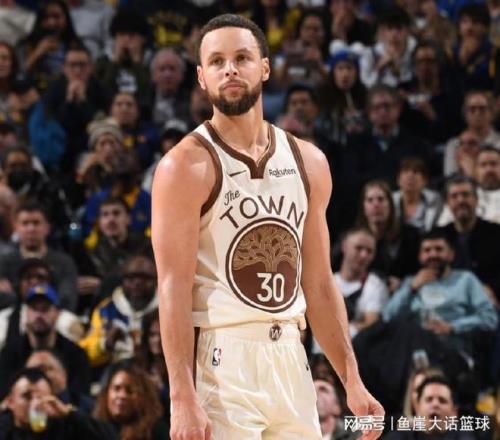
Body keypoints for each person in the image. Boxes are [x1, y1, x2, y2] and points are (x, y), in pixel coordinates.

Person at [151, 13, 383, 440]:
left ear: (265, 68)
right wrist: (181, 395)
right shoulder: (183, 166)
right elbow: (172, 287)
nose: (230, 69)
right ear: (201, 77)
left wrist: (352, 378)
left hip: (292, 355)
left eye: (242, 58)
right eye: (217, 61)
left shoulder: (309, 161)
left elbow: (318, 282)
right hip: (222, 358)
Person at [383, 229, 497, 355]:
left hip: (455, 348)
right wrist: (411, 288)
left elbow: (490, 318)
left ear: (451, 254)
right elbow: (388, 317)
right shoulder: (411, 283)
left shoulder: (466, 280)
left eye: (439, 249)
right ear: (420, 256)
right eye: (427, 250)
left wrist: (452, 326)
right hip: (416, 348)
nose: (433, 254)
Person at [0, 284, 91, 399]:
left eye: (45, 309)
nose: (39, 315)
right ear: (26, 312)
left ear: (57, 313)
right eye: (34, 309)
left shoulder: (76, 355)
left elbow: (82, 400)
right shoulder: (9, 354)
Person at [0, 367, 115, 440]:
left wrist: (69, 414)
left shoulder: (64, 427)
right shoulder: (4, 431)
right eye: (26, 396)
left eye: (42, 397)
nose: (35, 403)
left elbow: (109, 437)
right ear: (10, 402)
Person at [334, 227, 388, 339]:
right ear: (344, 247)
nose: (364, 255)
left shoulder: (375, 285)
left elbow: (371, 323)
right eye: (358, 248)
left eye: (369, 251)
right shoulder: (327, 281)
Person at [93, 362, 169, 440]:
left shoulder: (156, 430)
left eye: (130, 391)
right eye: (116, 389)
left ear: (143, 397)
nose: (122, 396)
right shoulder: (94, 429)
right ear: (106, 393)